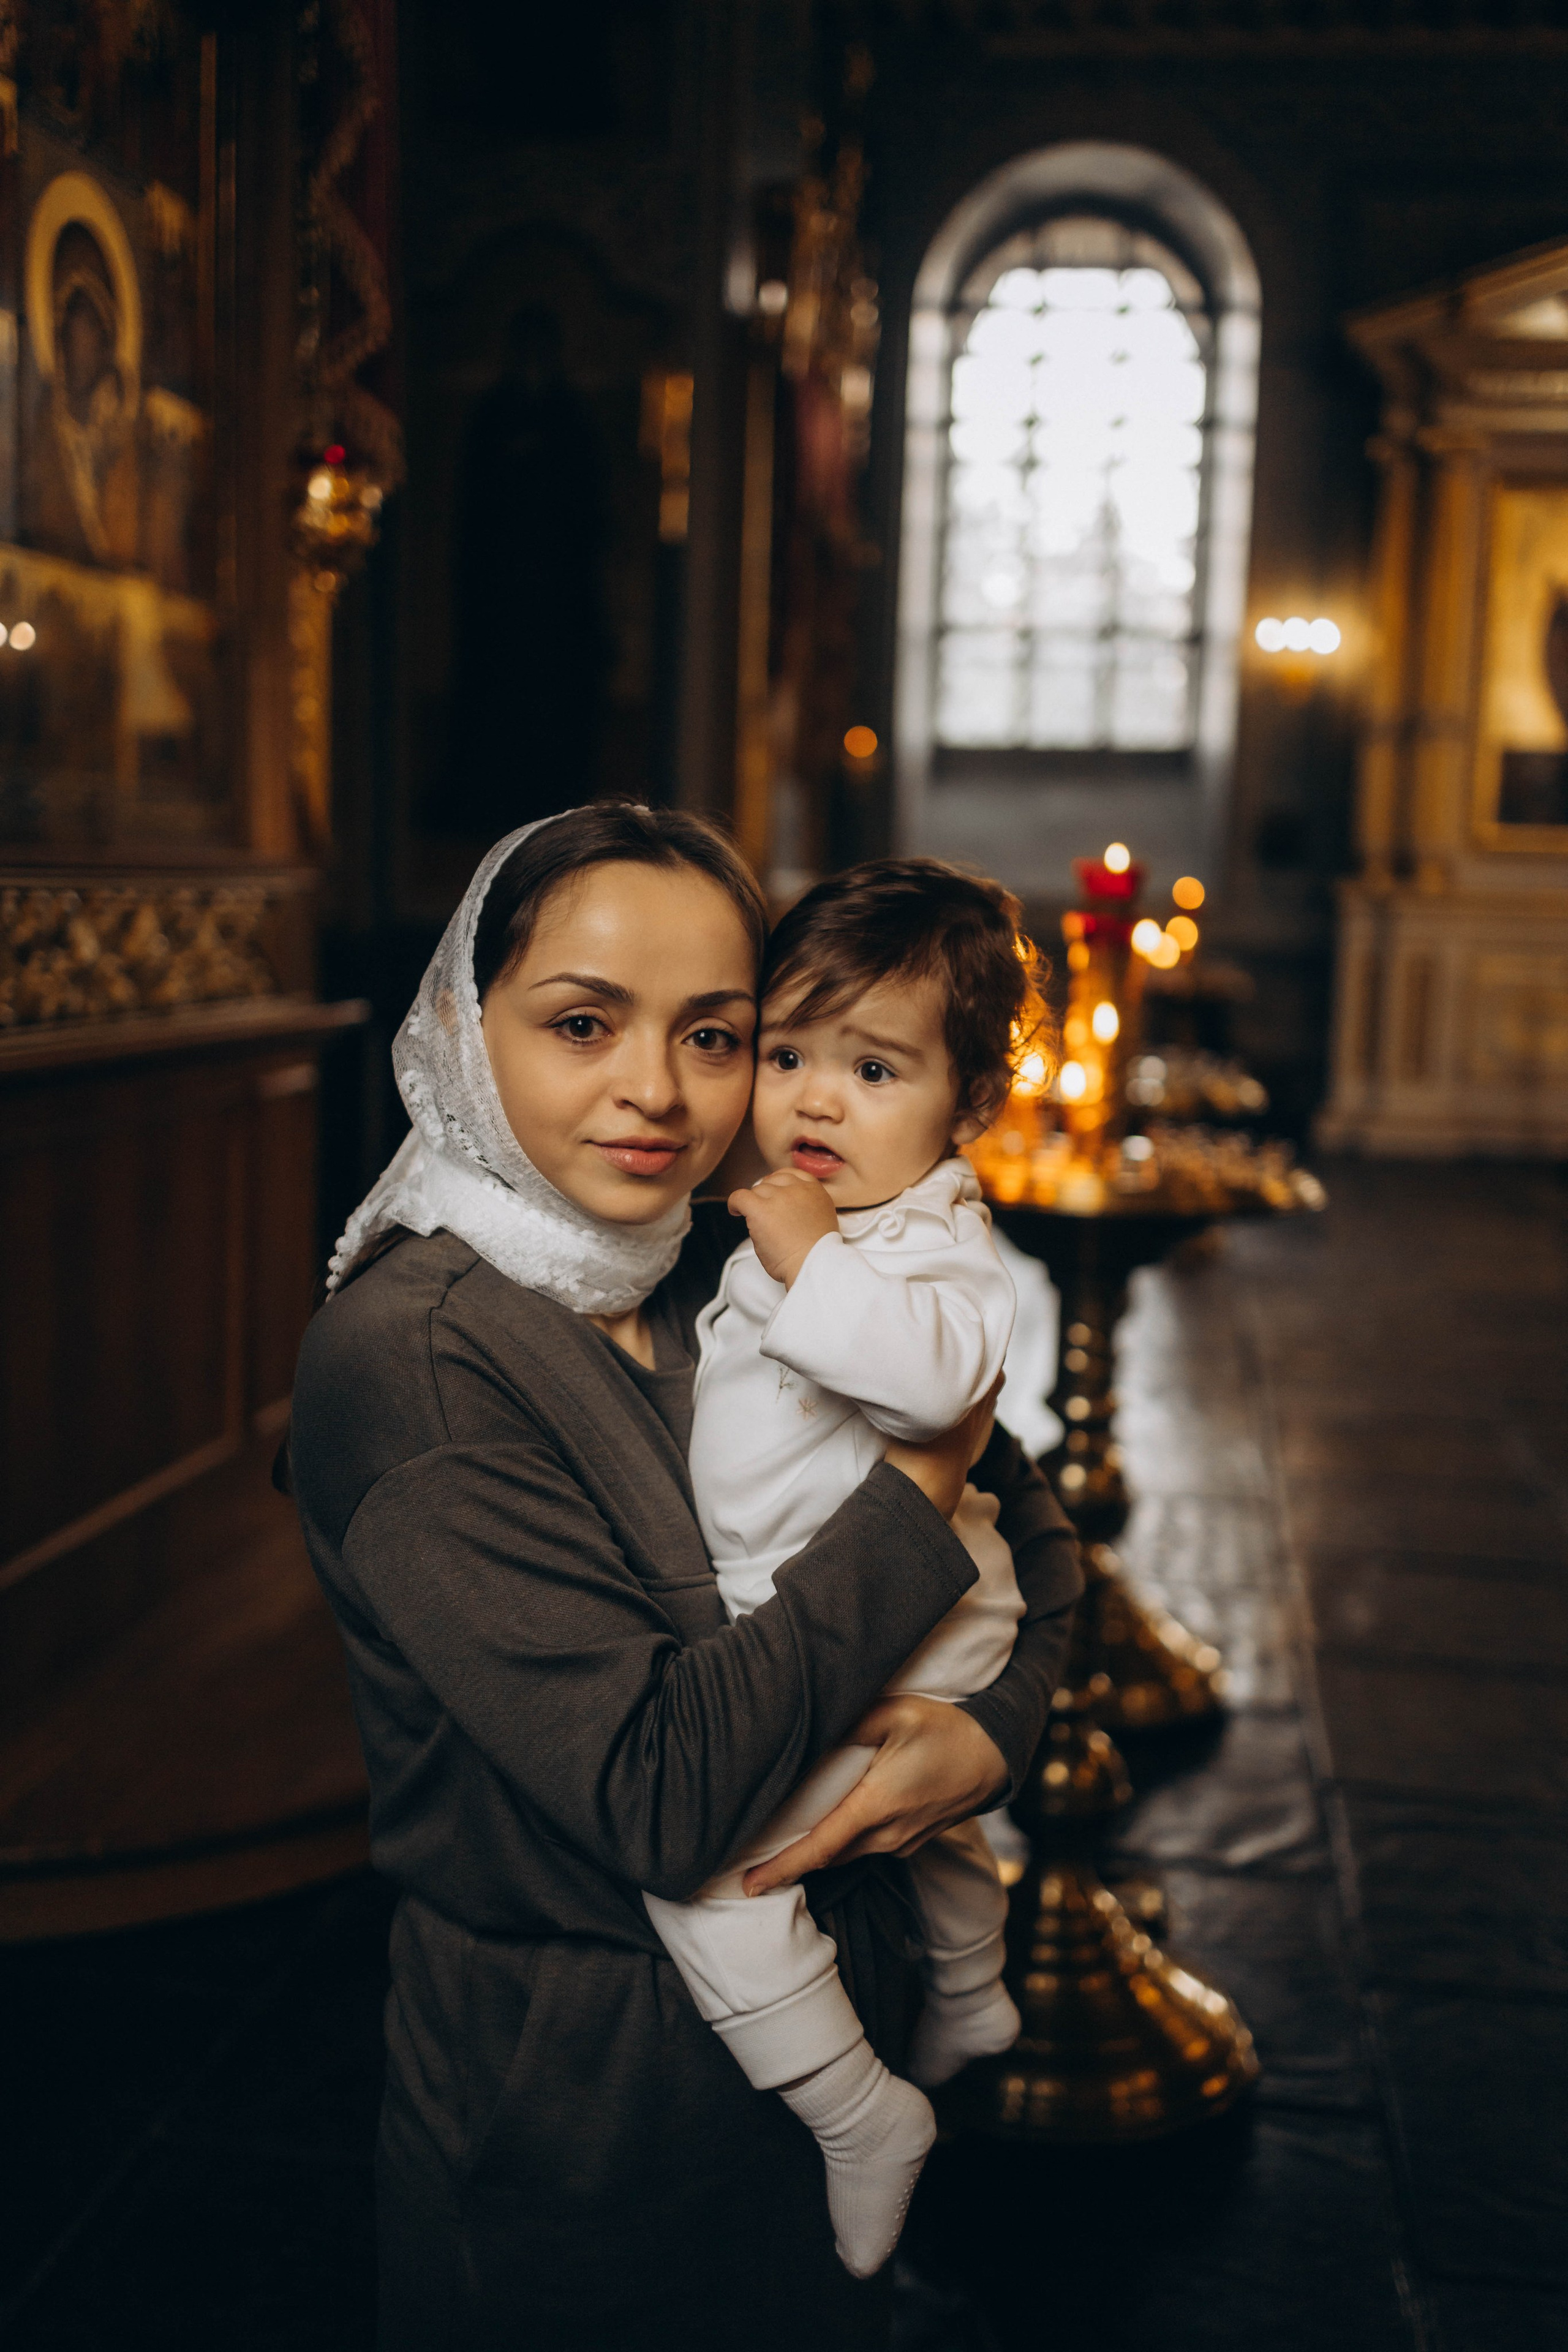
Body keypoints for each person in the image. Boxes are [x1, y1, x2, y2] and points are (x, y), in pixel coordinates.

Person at [287, 803, 1082, 2352]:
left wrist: (994, 1732)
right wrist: (919, 1491)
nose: (656, 1091)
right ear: (461, 1025)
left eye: (715, 1035)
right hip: (583, 2111)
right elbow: (661, 1797)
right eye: (581, 1023)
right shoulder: (420, 1358)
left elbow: (1040, 1553)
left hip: (829, 2011)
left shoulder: (718, 1265)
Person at [645, 862, 1043, 2280]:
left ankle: (855, 2110)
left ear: (967, 1110)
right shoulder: (796, 1219)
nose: (813, 1098)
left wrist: (813, 1261)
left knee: (713, 1875)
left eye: (873, 1067)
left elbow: (939, 1389)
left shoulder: (930, 1246)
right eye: (788, 1053)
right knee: (927, 1828)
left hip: (904, 1635)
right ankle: (974, 1983)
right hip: (852, 1621)